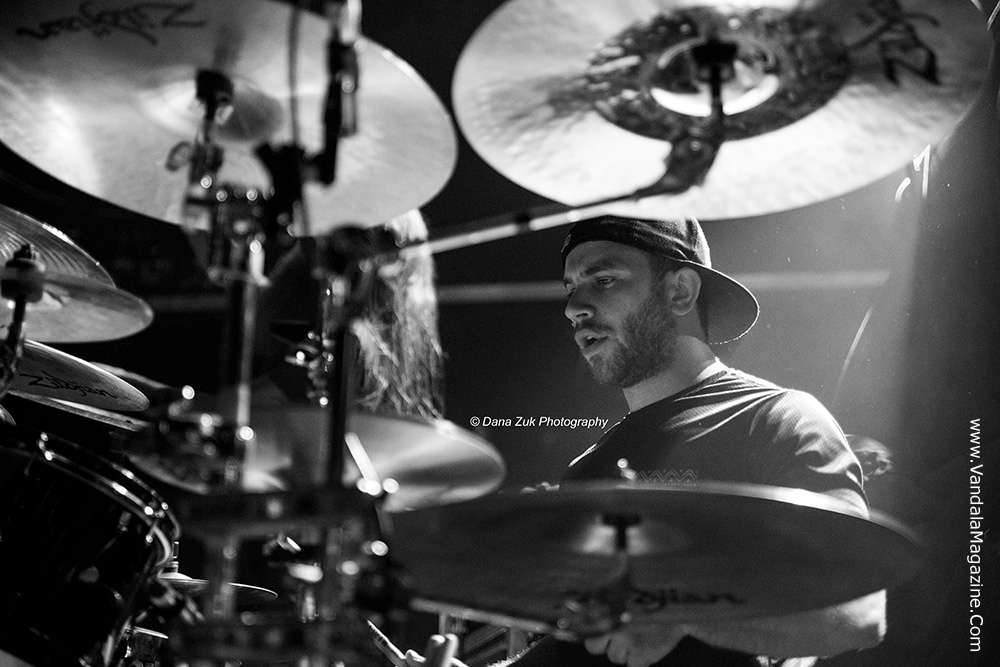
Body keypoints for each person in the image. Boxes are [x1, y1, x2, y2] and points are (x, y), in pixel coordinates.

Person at [406, 214, 886, 667]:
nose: (573, 308)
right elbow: (582, 646)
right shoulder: (588, 467)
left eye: (604, 280)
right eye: (571, 288)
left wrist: (674, 620)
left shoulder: (776, 418)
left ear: (679, 291)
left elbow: (856, 614)